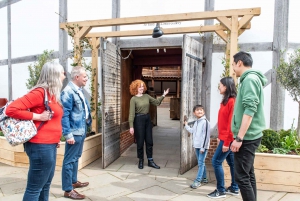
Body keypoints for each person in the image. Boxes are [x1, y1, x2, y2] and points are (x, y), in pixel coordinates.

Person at [6, 62, 65, 201]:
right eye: (63, 73)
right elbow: (11, 109)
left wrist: (55, 139)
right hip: (39, 145)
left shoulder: (52, 94)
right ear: (54, 75)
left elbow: (53, 121)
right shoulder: (39, 92)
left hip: (49, 145)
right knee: (34, 188)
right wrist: (38, 116)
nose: (64, 76)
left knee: (45, 185)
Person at [230, 51, 267, 201]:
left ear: (239, 63)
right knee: (248, 174)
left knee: (241, 178)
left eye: (233, 65)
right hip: (250, 136)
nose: (233, 68)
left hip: (247, 137)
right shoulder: (250, 79)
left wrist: (239, 138)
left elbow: (250, 110)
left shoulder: (250, 79)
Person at [61, 66, 92, 200]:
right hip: (74, 132)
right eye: (84, 76)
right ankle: (68, 190)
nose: (87, 78)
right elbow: (64, 115)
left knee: (76, 157)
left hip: (81, 129)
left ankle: (73, 181)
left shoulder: (78, 90)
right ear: (76, 77)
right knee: (69, 160)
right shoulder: (68, 91)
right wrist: (68, 134)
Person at [207, 77, 239, 199]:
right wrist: (220, 137)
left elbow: (231, 124)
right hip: (225, 138)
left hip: (228, 139)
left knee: (216, 161)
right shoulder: (225, 101)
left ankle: (220, 191)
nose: (219, 87)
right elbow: (223, 122)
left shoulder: (232, 101)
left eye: (220, 85)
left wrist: (226, 141)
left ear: (226, 86)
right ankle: (234, 188)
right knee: (232, 163)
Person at [128, 79, 169, 169]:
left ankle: (150, 160)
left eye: (143, 86)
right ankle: (141, 160)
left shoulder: (146, 96)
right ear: (136, 88)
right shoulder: (133, 99)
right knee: (140, 142)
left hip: (147, 119)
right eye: (140, 87)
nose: (142, 88)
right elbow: (131, 114)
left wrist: (163, 95)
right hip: (138, 120)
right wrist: (131, 126)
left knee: (149, 141)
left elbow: (157, 102)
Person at [184, 105, 210, 189]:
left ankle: (198, 181)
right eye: (197, 110)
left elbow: (206, 136)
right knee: (201, 163)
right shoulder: (196, 122)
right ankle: (205, 178)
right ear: (194, 113)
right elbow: (192, 131)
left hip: (203, 147)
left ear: (204, 112)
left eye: (201, 110)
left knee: (201, 163)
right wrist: (186, 126)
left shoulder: (205, 122)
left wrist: (203, 147)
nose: (199, 111)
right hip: (197, 145)